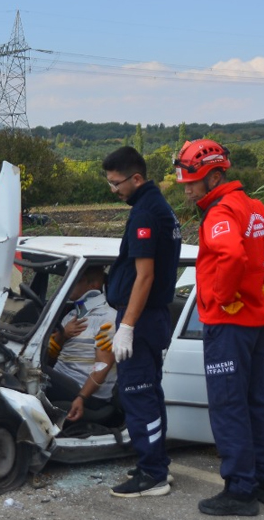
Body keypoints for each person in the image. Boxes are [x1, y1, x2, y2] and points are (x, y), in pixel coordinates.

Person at [175, 139, 264, 516]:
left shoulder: (221, 213)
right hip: (256, 321)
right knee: (254, 402)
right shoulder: (253, 206)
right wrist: (263, 287)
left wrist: (224, 295)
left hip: (229, 324)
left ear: (212, 176)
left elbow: (230, 254)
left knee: (228, 406)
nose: (187, 188)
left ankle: (240, 490)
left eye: (192, 181)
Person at [102, 147, 182, 498]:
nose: (114, 191)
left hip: (143, 317)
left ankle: (152, 474)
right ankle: (156, 463)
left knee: (138, 394)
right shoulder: (158, 207)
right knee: (150, 392)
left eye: (116, 183)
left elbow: (144, 276)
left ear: (136, 178)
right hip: (153, 317)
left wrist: (127, 326)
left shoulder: (145, 213)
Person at [44, 265, 118, 431]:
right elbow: (50, 356)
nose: (69, 285)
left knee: (36, 373)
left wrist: (81, 398)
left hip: (88, 393)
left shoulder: (108, 319)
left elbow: (103, 366)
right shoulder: (72, 315)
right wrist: (62, 336)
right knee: (32, 369)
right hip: (64, 380)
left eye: (76, 281)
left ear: (93, 286)